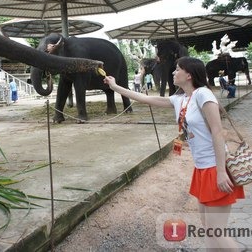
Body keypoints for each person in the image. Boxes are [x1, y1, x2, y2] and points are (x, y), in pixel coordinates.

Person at [104, 57, 244, 251]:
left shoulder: (203, 94)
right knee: (209, 228)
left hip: (215, 168)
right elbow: (145, 99)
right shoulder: (181, 99)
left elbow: (218, 133)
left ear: (189, 74)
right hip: (202, 169)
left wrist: (221, 172)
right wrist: (115, 86)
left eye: (177, 69)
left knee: (216, 231)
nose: (172, 72)